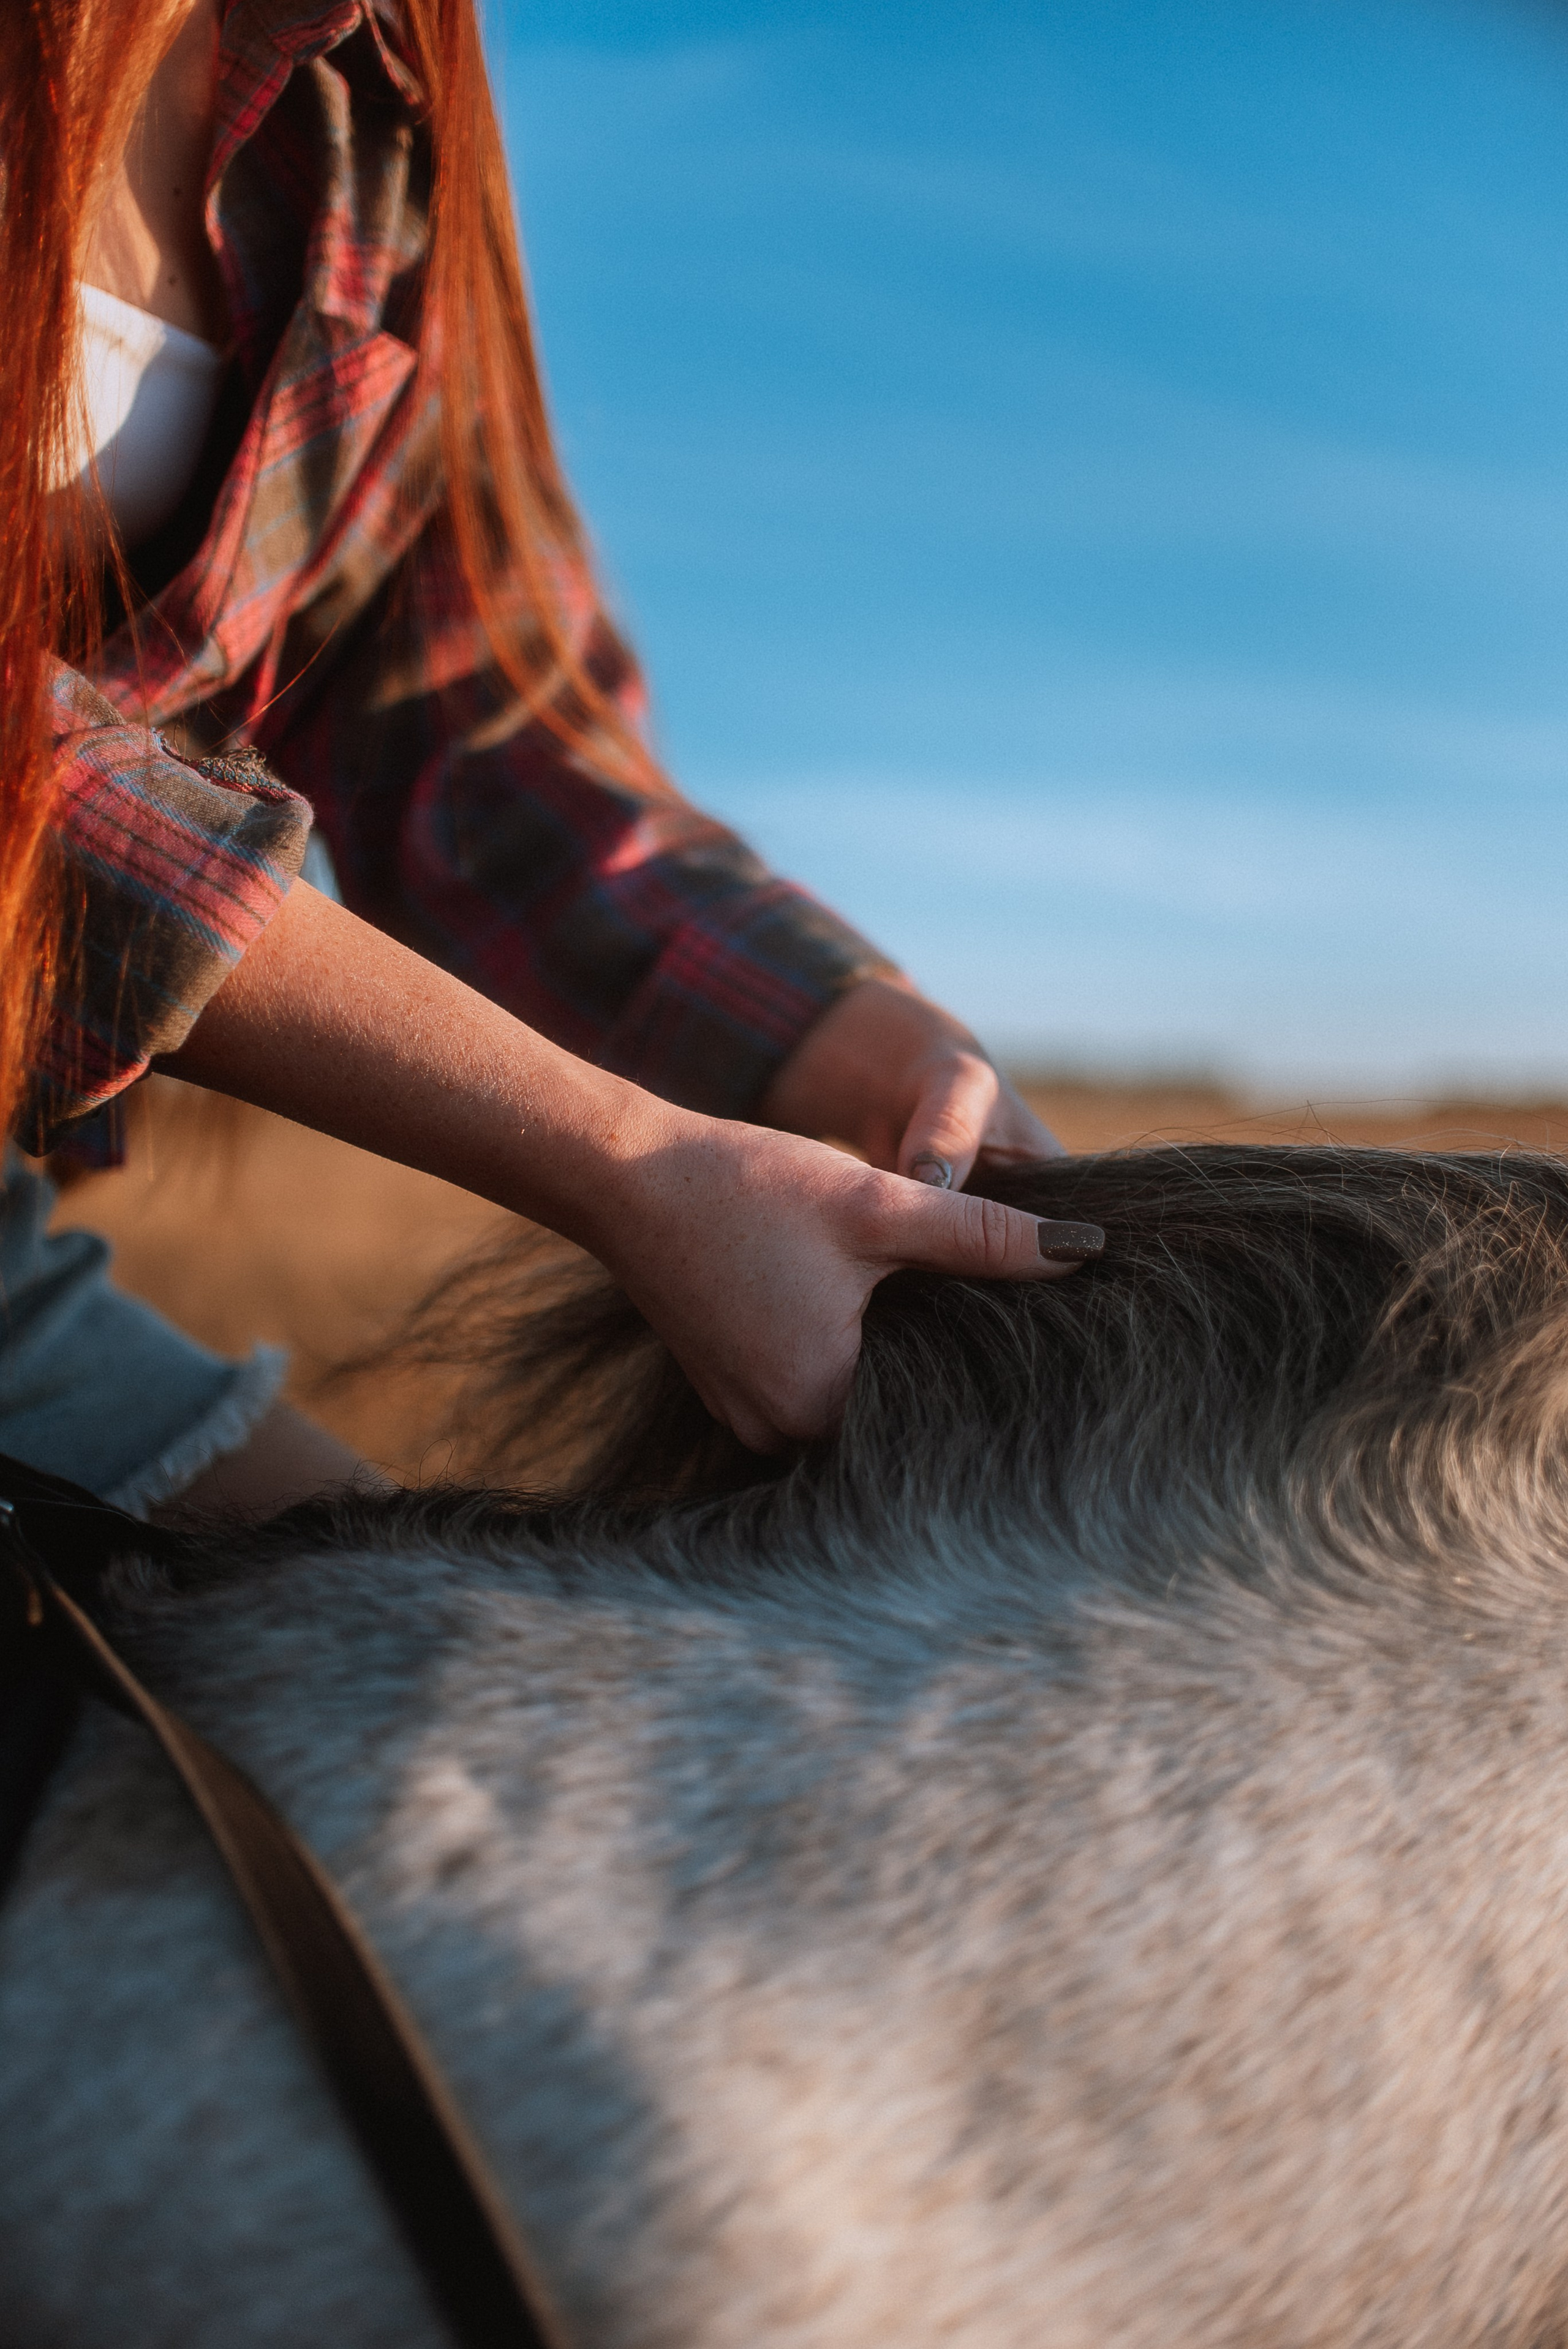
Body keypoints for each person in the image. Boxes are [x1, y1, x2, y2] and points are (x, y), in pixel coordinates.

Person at [0, 0, 1099, 1518]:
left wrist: (851, 1037)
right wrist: (612, 1157)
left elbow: (467, 735)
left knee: (390, 1714)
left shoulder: (365, 125)